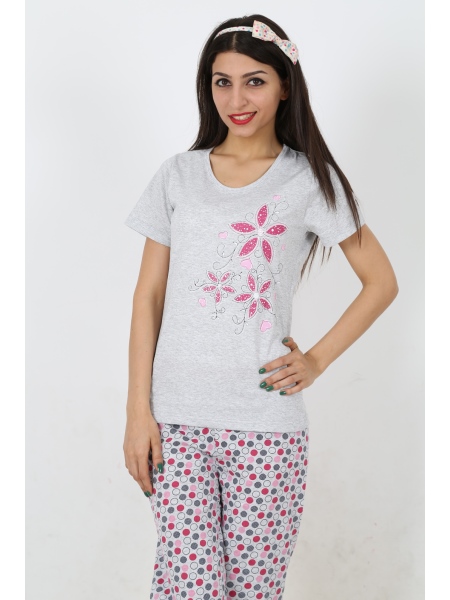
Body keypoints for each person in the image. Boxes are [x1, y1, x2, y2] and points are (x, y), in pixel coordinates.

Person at [123, 14, 399, 599]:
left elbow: (381, 282)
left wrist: (316, 360)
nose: (236, 100)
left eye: (254, 81)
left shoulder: (309, 181)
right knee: (190, 586)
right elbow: (148, 297)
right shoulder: (177, 176)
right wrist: (137, 413)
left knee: (253, 590)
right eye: (222, 82)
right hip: (176, 422)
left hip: (266, 426)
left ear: (284, 87)